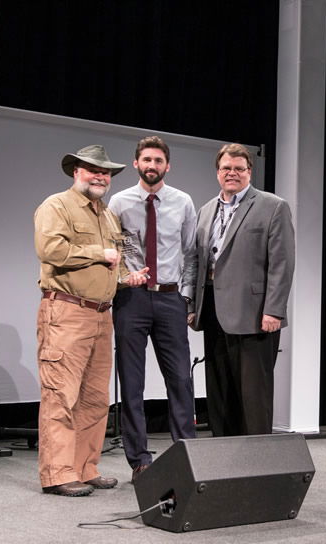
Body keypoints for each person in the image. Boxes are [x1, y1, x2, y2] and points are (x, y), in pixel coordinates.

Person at [33, 144, 147, 497]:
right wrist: (100, 252)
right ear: (75, 172)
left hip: (101, 316)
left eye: (106, 172)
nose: (101, 176)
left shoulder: (108, 215)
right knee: (61, 396)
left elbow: (116, 263)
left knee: (96, 399)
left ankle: (85, 467)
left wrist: (129, 276)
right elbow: (50, 250)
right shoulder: (57, 206)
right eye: (93, 170)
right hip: (66, 312)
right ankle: (57, 473)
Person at [186, 143, 295, 437]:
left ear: (249, 172)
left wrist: (274, 309)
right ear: (217, 172)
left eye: (239, 169)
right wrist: (192, 307)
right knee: (221, 393)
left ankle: (258, 462)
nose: (232, 173)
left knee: (253, 396)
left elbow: (282, 264)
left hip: (255, 315)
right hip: (212, 313)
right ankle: (225, 459)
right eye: (226, 168)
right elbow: (197, 260)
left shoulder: (273, 206)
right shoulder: (206, 210)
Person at [108, 136, 198, 481]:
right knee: (132, 382)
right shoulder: (119, 202)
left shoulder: (182, 202)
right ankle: (140, 460)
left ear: (167, 166)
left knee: (179, 378)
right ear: (136, 164)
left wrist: (186, 298)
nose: (152, 166)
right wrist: (122, 279)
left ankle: (185, 452)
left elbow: (191, 254)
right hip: (131, 299)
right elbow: (111, 250)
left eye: (158, 160)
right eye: (146, 159)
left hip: (170, 298)